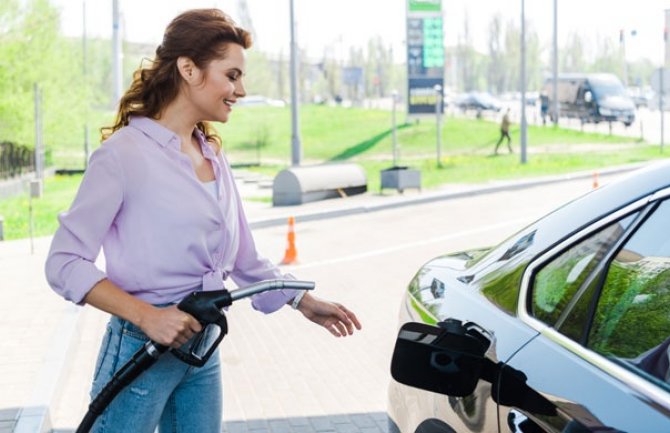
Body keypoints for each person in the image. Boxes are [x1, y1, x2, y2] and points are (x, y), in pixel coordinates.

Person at [44, 9, 361, 433]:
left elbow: (245, 258)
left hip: (202, 349)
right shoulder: (123, 156)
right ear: (188, 69)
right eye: (231, 75)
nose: (241, 90)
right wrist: (147, 316)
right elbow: (64, 262)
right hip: (142, 350)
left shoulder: (210, 152)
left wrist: (301, 301)